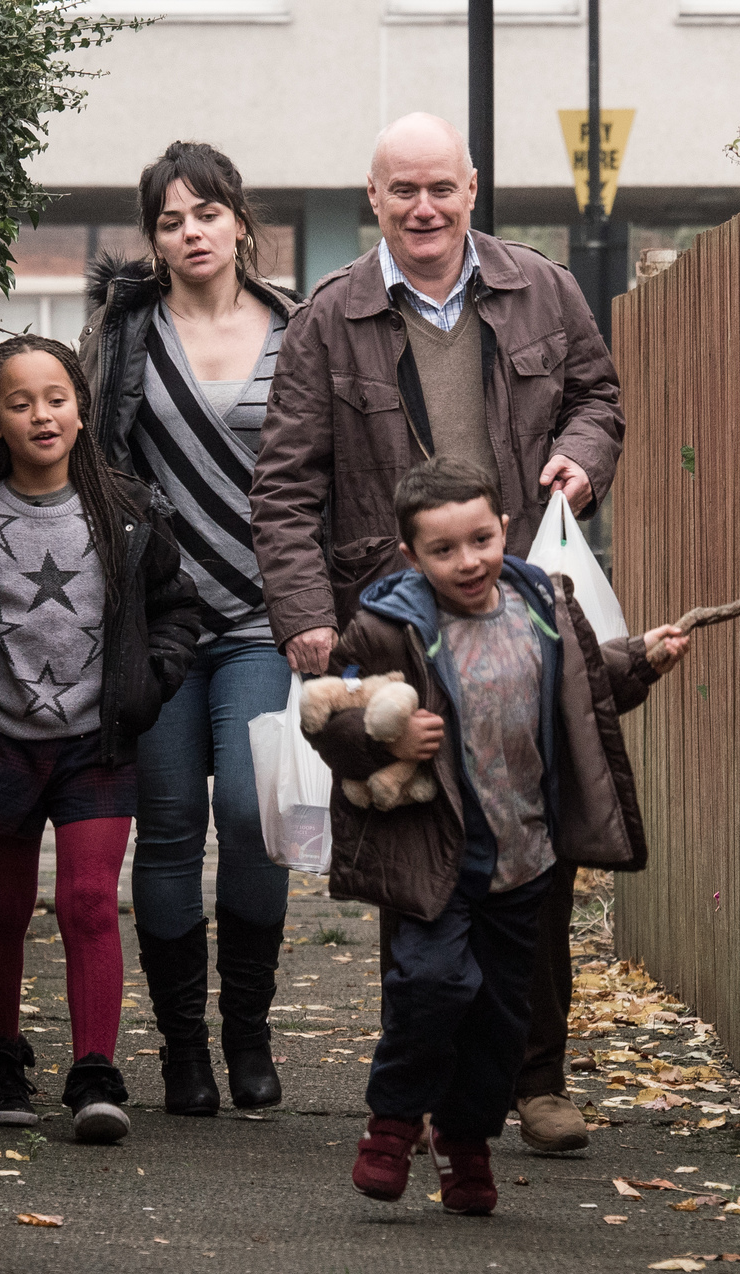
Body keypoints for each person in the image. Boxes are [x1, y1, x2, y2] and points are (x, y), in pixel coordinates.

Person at [250, 111, 624, 1154]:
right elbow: (284, 490)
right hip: (394, 626)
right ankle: (412, 1090)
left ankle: (535, 1078)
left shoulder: (541, 287)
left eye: (440, 189)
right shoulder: (329, 319)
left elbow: (597, 395)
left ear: (470, 189)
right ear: (372, 199)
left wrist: (581, 461)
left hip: (521, 609)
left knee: (532, 845)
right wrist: (307, 625)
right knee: (413, 856)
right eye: (400, 191)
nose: (423, 209)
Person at [306, 457, 688, 1212]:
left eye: (480, 539)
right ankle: (391, 1119)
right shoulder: (387, 625)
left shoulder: (544, 601)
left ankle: (465, 1138)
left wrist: (642, 659)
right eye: (444, 550)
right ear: (411, 556)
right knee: (432, 983)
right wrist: (384, 739)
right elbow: (327, 713)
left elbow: (587, 684)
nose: (468, 560)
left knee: (501, 1018)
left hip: (526, 857)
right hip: (437, 855)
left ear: (504, 530)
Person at [0, 335, 200, 1143]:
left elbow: (177, 610)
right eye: (19, 402)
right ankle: (1, 1056)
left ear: (80, 409)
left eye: (56, 398)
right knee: (3, 908)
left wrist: (147, 689)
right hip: (0, 742)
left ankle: (95, 1072)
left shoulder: (129, 509)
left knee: (85, 900)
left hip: (95, 744)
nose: (41, 414)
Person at [80, 142, 303, 1115]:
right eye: (170, 220)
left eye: (205, 212)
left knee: (255, 822)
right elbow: (96, 463)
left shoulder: (297, 331)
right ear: (155, 239)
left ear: (240, 221)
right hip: (162, 623)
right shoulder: (125, 337)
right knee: (168, 829)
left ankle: (248, 1035)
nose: (190, 231)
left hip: (265, 617)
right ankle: (185, 1055)